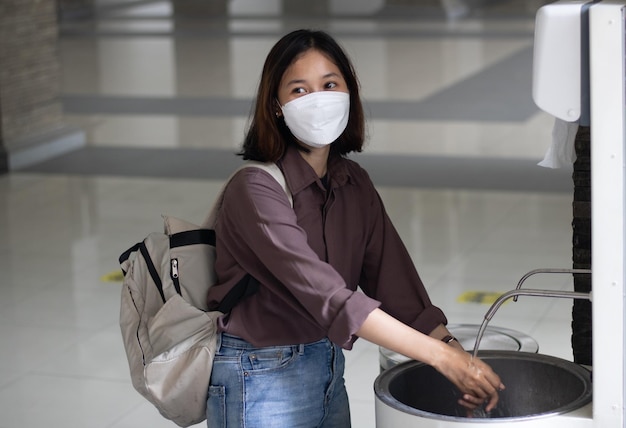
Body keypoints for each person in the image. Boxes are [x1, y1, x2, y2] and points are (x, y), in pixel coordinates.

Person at [206, 29, 504, 427]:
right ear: (276, 106)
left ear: (349, 93)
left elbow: (397, 287)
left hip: (327, 366)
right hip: (259, 374)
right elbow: (329, 297)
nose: (318, 100)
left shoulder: (353, 183)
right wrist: (440, 358)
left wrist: (454, 351)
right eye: (299, 90)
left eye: (330, 84)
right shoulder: (255, 189)